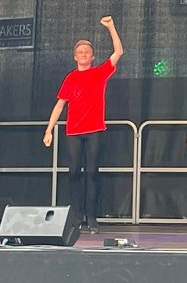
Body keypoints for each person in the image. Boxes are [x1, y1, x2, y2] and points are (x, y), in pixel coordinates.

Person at [43, 16, 123, 234]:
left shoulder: (99, 73)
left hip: (95, 129)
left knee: (92, 172)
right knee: (73, 172)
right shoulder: (70, 78)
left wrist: (111, 27)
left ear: (92, 56)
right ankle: (76, 214)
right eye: (80, 52)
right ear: (75, 57)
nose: (84, 55)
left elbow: (118, 53)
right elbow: (59, 106)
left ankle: (92, 216)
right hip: (74, 131)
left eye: (87, 52)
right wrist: (49, 129)